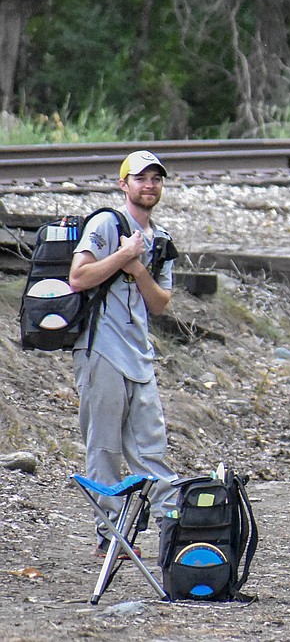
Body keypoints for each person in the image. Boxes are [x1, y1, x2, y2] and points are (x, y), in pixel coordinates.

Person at [68, 149, 180, 560]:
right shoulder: (105, 224)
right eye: (140, 178)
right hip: (100, 349)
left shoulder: (161, 239)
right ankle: (109, 534)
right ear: (124, 185)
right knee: (104, 446)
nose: (149, 185)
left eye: (156, 179)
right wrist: (122, 256)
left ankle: (175, 528)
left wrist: (138, 269)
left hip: (139, 354)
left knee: (151, 446)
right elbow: (78, 277)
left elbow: (160, 303)